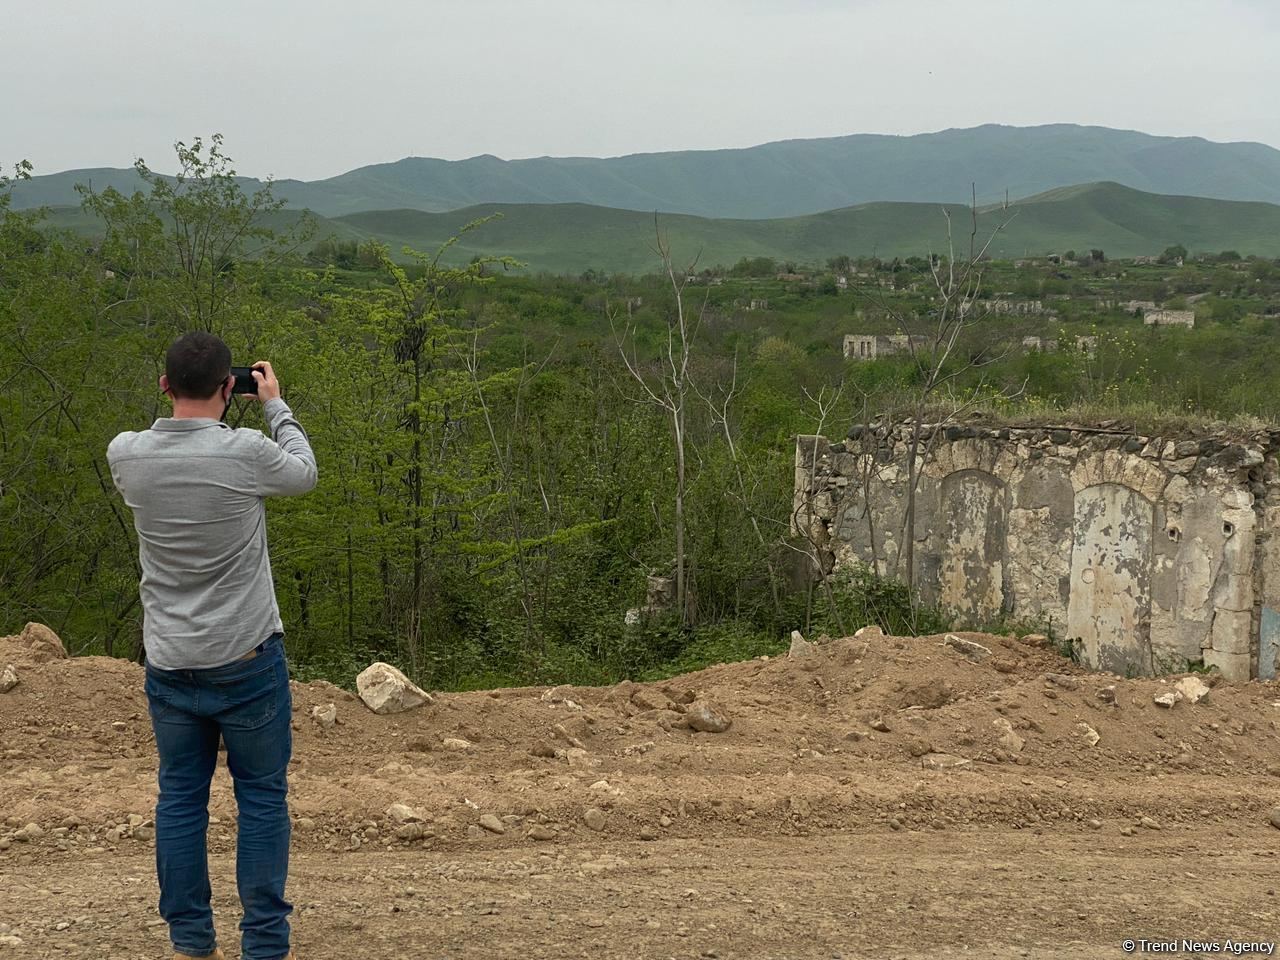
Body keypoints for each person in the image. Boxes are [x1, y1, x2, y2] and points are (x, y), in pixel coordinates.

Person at [107, 331, 316, 960]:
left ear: (164, 385)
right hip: (246, 658)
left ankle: (192, 940)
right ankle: (264, 945)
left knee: (179, 796)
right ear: (233, 388)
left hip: (170, 662)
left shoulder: (126, 455)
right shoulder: (247, 452)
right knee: (259, 798)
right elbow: (303, 474)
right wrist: (274, 405)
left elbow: (158, 441)